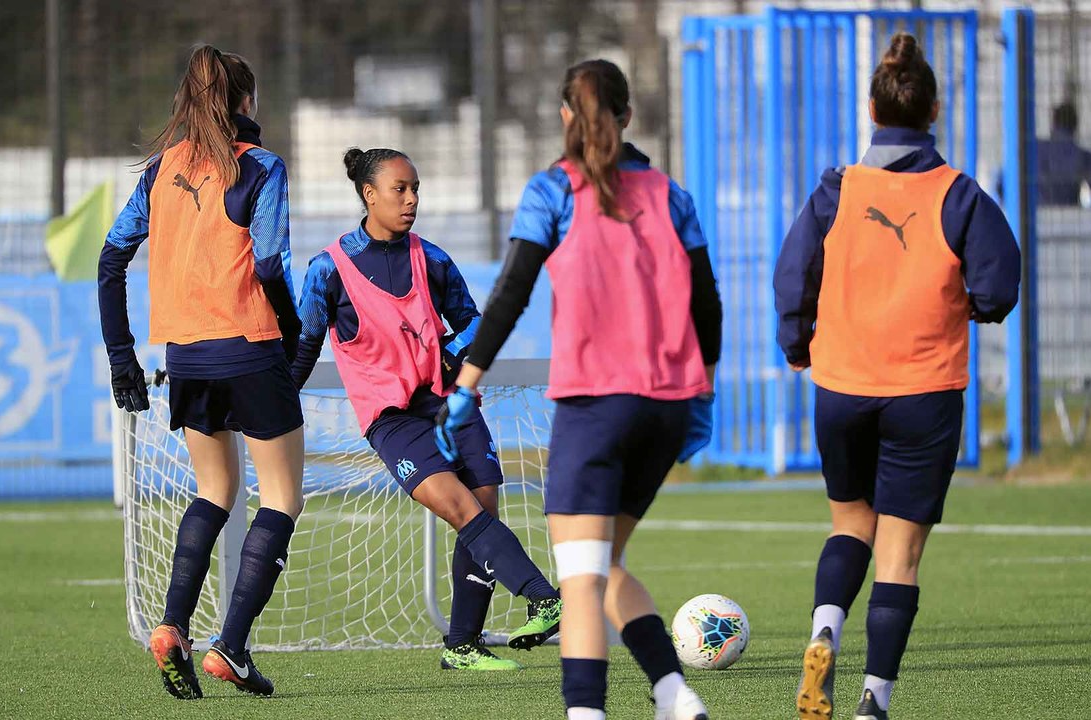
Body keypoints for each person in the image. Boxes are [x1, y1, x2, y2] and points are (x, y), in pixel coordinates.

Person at [435, 59, 724, 720]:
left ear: (567, 116)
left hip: (596, 410)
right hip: (666, 408)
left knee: (580, 580)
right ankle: (675, 694)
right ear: (626, 118)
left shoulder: (553, 191)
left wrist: (466, 386)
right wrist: (702, 394)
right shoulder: (672, 195)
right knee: (606, 562)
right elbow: (707, 305)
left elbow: (509, 295)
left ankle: (588, 712)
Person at [774, 34, 1020, 720]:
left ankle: (825, 627)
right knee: (900, 555)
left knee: (850, 523)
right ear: (933, 108)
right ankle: (872, 702)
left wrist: (798, 346)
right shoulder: (958, 194)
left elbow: (792, 276)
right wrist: (963, 305)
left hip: (843, 384)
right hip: (924, 389)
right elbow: (1000, 286)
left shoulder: (837, 189)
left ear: (871, 110)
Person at [290, 147, 562, 671]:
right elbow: (304, 347)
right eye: (400, 189)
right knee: (462, 509)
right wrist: (278, 403)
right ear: (369, 195)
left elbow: (472, 323)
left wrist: (457, 363)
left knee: (482, 508)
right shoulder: (328, 269)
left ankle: (462, 645)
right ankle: (542, 596)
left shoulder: (431, 258)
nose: (412, 199)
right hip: (392, 422)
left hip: (448, 405)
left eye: (416, 188)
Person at [98, 45, 306, 699]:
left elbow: (111, 260)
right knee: (281, 497)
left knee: (214, 490)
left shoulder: (160, 171)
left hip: (185, 356)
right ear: (247, 102)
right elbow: (270, 268)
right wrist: (294, 338)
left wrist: (122, 358)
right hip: (249, 347)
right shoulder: (261, 168)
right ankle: (232, 647)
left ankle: (171, 627)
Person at [1038, 102, 1091, 208]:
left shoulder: (1035, 150)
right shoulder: (1084, 156)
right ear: (1075, 126)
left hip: (1035, 217)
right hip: (1070, 218)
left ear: (1053, 124)